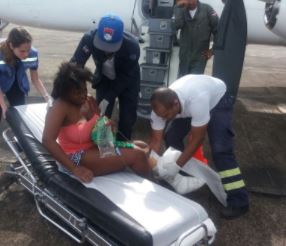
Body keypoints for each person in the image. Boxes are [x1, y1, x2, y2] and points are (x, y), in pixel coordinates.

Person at [42, 62, 199, 194]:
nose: (83, 95)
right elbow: (48, 140)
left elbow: (99, 131)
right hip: (74, 158)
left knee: (142, 147)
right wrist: (75, 169)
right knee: (137, 155)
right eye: (77, 93)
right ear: (65, 93)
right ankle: (159, 190)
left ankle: (163, 176)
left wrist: (107, 125)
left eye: (84, 89)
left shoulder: (87, 100)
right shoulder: (60, 107)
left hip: (95, 148)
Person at [149, 74, 249, 219]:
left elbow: (197, 139)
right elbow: (155, 141)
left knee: (221, 150)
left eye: (166, 115)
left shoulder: (197, 101)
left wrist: (176, 165)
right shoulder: (160, 110)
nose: (163, 119)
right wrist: (154, 164)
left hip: (217, 100)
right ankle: (180, 177)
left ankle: (239, 201)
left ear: (175, 104)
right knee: (171, 137)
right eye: (161, 116)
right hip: (190, 101)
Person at [70, 14, 140, 141]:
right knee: (101, 116)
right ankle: (103, 146)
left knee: (127, 118)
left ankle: (122, 147)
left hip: (127, 81)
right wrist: (61, 94)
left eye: (111, 47)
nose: (107, 51)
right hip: (104, 78)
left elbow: (126, 77)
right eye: (103, 45)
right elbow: (75, 66)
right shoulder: (89, 39)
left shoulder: (132, 46)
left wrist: (108, 97)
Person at [0, 27, 50, 120]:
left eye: (28, 50)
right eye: (22, 51)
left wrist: (47, 97)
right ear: (11, 46)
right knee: (2, 110)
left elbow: (35, 79)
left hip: (17, 83)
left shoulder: (33, 54)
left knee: (19, 114)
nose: (26, 54)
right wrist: (3, 106)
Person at [173, 0, 219, 76]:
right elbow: (177, 25)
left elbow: (218, 31)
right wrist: (177, 7)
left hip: (200, 57)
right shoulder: (181, 10)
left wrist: (212, 50)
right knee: (183, 82)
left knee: (195, 82)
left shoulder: (207, 9)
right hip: (184, 56)